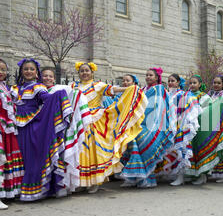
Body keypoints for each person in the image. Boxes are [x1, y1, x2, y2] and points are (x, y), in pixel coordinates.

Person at [71, 62, 147, 193]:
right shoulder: (73, 86)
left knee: (93, 151)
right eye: (82, 71)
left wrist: (130, 89)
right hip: (79, 121)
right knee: (81, 151)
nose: (84, 73)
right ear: (78, 73)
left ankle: (95, 182)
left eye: (87, 71)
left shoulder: (98, 86)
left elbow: (113, 89)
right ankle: (82, 181)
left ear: (92, 72)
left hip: (94, 121)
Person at [11, 58, 73, 201]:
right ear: (21, 71)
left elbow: (47, 99)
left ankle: (34, 190)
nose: (28, 71)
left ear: (36, 73)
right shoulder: (14, 88)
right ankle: (18, 189)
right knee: (19, 158)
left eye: (32, 69)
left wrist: (59, 95)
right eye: (25, 69)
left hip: (33, 126)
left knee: (33, 157)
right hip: (17, 127)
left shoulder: (38, 88)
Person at [119, 67, 175, 188]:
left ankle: (147, 178)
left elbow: (161, 108)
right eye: (147, 75)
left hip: (153, 125)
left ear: (156, 77)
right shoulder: (142, 90)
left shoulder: (160, 90)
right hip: (139, 123)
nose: (148, 77)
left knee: (146, 146)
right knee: (131, 142)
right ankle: (134, 177)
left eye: (151, 75)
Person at [41, 67, 92, 195]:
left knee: (59, 156)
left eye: (50, 76)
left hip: (57, 129)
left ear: (54, 78)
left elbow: (74, 95)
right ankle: (44, 188)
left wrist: (76, 94)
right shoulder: (37, 90)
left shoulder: (59, 88)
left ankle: (60, 187)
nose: (48, 78)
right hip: (41, 129)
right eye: (45, 76)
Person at [184, 74, 223, 185]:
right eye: (190, 83)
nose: (192, 85)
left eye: (194, 83)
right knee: (193, 151)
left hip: (206, 127)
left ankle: (204, 175)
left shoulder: (207, 96)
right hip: (192, 128)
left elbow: (208, 111)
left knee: (204, 150)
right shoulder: (190, 95)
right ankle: (192, 174)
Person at [156, 74, 201, 186]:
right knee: (171, 150)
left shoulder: (183, 94)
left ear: (178, 82)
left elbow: (189, 108)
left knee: (181, 150)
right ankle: (173, 174)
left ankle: (181, 177)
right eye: (169, 81)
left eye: (173, 81)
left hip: (180, 126)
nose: (170, 83)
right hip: (168, 127)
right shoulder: (166, 94)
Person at [0, 59, 24, 209]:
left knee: (7, 160)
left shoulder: (4, 87)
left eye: (3, 69)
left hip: (6, 129)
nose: (1, 72)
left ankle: (7, 193)